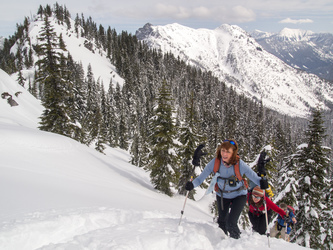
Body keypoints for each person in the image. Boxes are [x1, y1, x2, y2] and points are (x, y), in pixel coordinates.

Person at [185, 140, 268, 239]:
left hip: (239, 195)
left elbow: (256, 179)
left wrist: (263, 179)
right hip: (222, 195)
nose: (224, 154)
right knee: (222, 222)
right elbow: (200, 179)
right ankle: (223, 244)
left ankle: (236, 243)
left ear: (233, 153)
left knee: (231, 223)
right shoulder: (215, 162)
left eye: (228, 151)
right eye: (223, 150)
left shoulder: (240, 164)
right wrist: (192, 185)